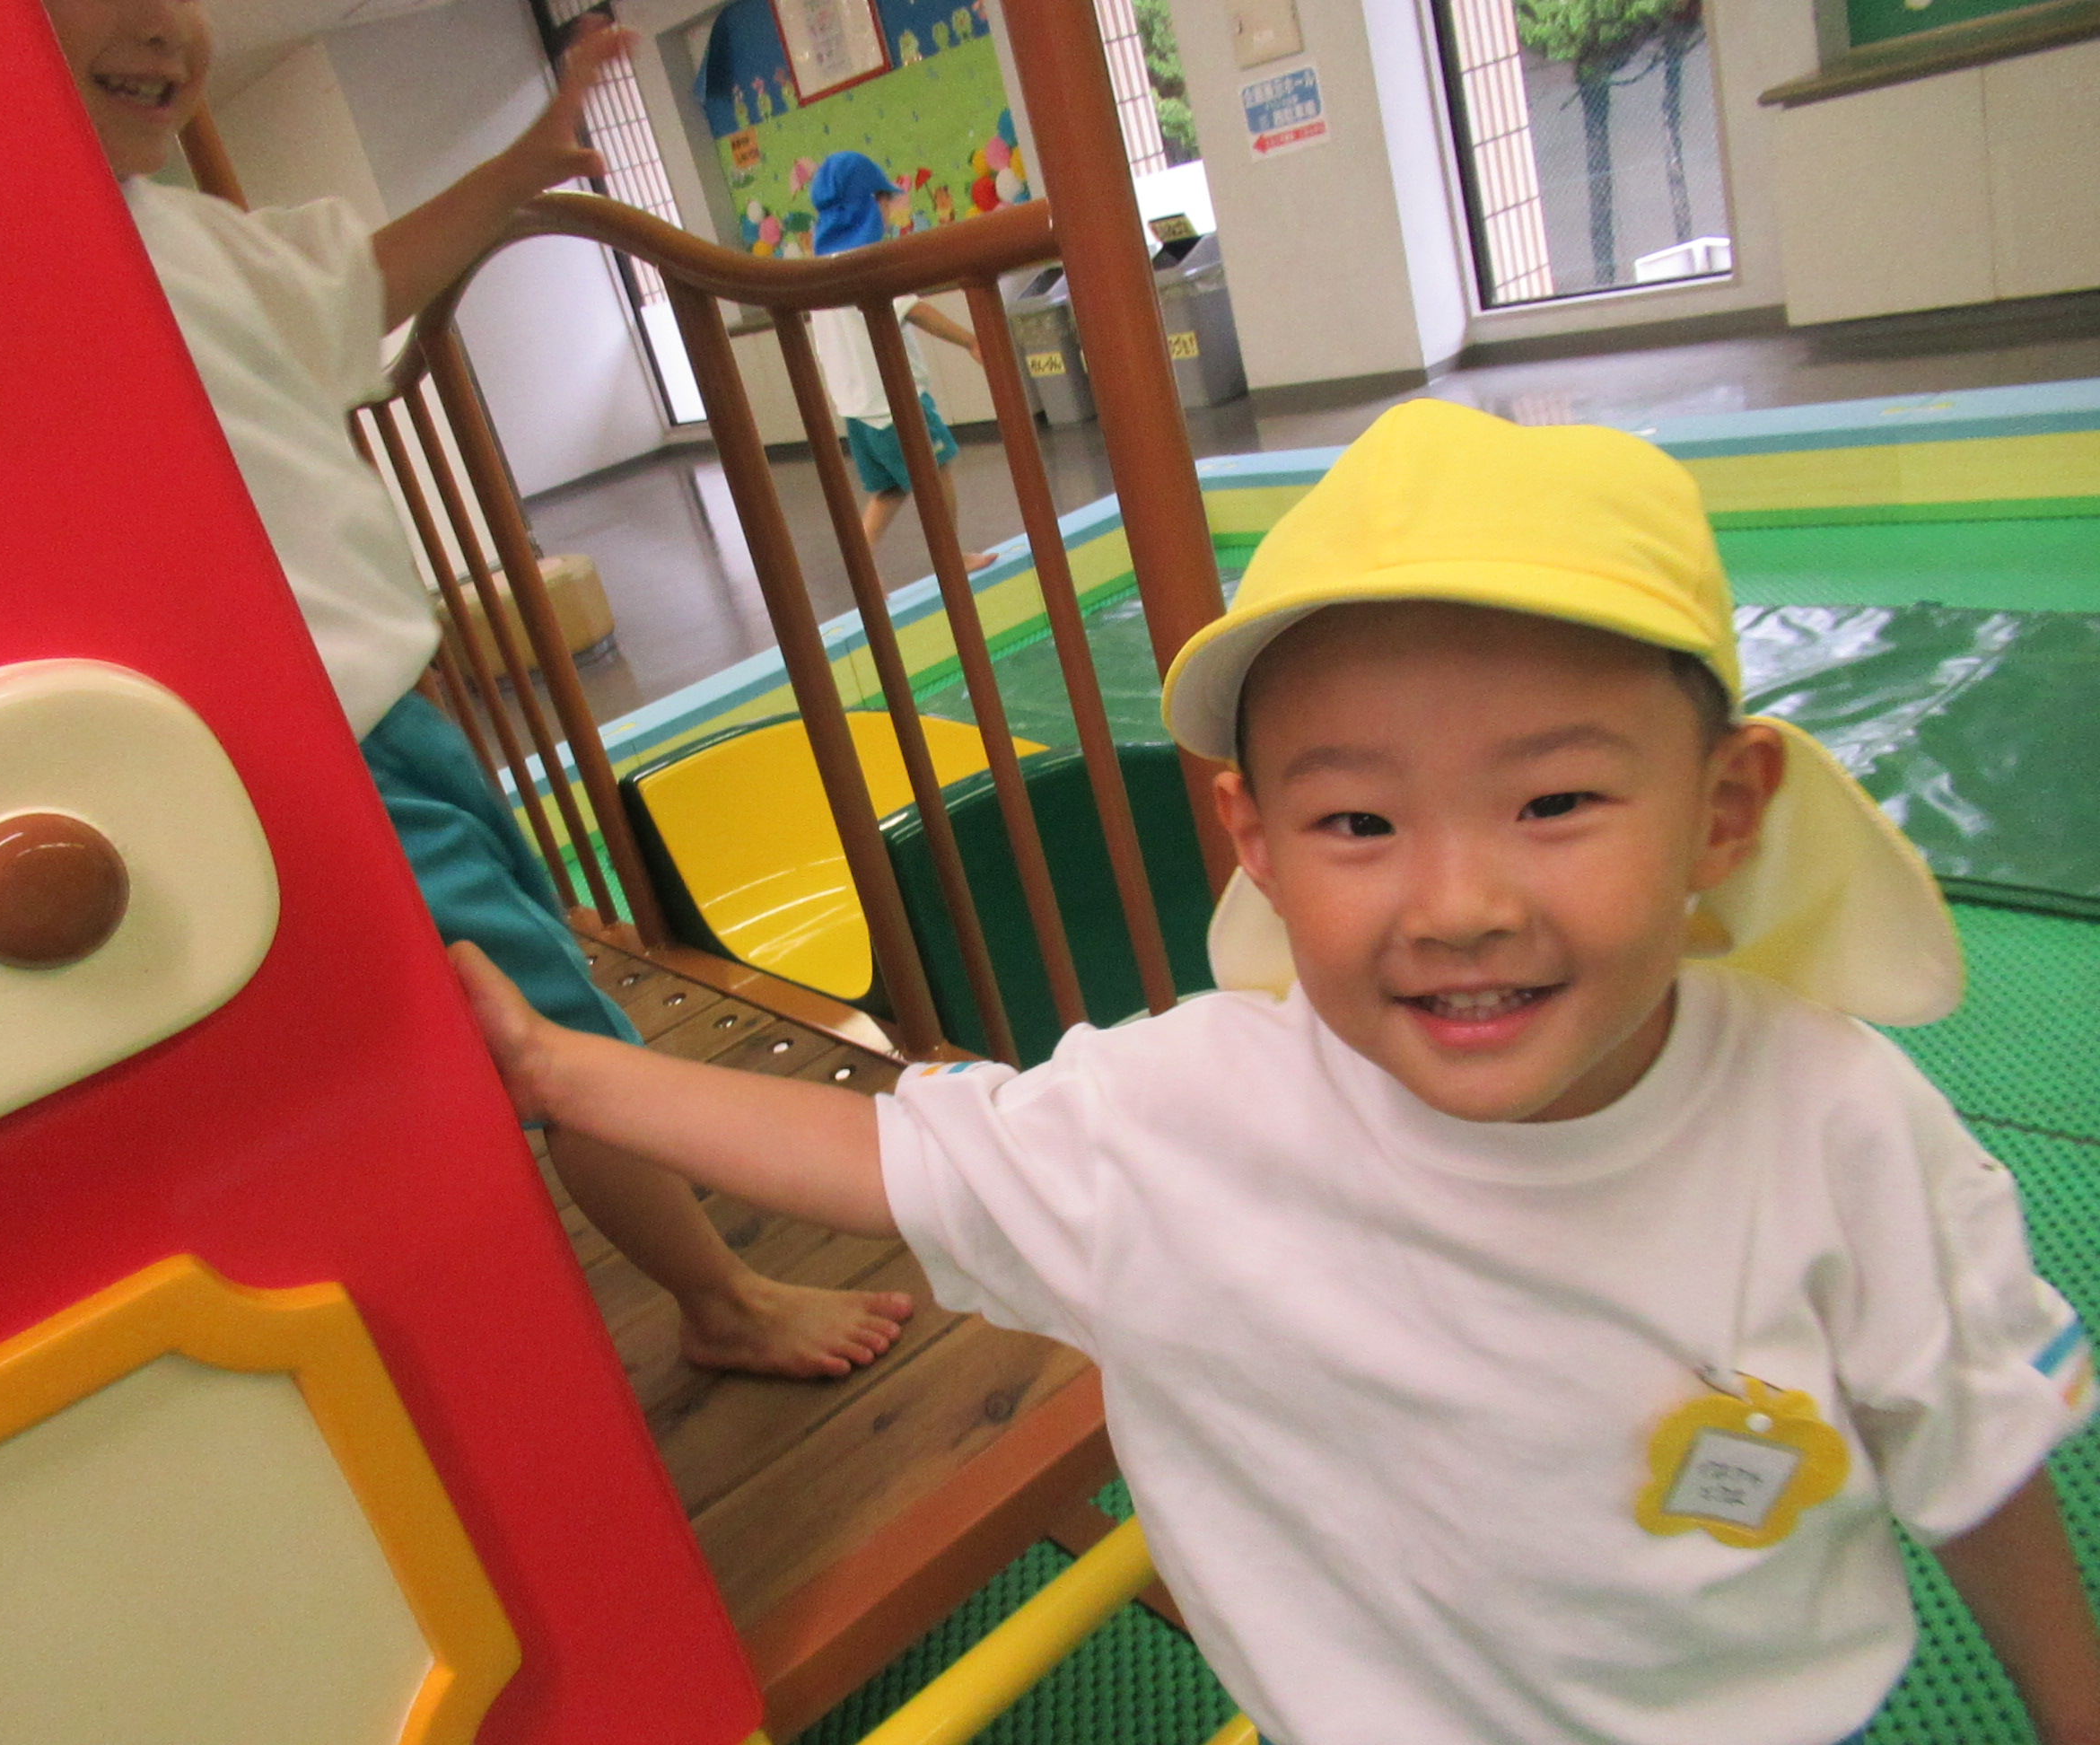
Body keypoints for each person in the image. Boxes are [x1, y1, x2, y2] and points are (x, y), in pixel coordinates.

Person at [448, 399, 2100, 1744]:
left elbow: (1971, 1440)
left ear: (1722, 811)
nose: (1457, 903)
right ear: (1256, 838)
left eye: (1555, 803)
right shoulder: (1190, 1117)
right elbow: (883, 1155)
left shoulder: (1833, 1123)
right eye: (1358, 821)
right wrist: (557, 1067)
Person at [0, 0, 909, 1380]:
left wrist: (523, 166)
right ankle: (719, 1299)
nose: (165, 30)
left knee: (513, 997)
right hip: (281, 758)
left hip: (399, 725)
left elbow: (360, 284)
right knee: (556, 1036)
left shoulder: (190, 238)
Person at [804, 152, 993, 573]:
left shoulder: (820, 271)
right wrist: (969, 340)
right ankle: (951, 557)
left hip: (856, 407)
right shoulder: (869, 263)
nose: (891, 209)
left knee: (889, 489)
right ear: (872, 203)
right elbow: (913, 310)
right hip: (895, 400)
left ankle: (861, 566)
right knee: (936, 472)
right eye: (887, 200)